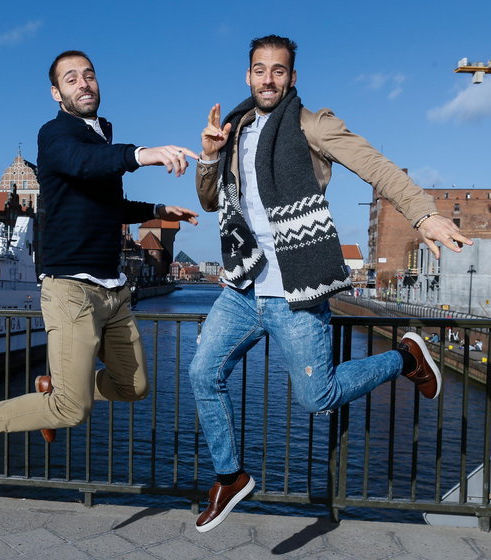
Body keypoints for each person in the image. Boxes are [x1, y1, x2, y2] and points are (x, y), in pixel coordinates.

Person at [188, 34, 473, 533]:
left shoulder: (312, 124)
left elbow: (375, 165)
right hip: (242, 286)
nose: (269, 79)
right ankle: (230, 476)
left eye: (279, 71)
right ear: (248, 75)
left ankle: (405, 357)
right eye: (260, 69)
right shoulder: (233, 130)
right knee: (200, 374)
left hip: (295, 291)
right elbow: (211, 201)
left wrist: (423, 214)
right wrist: (210, 156)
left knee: (316, 398)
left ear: (292, 78)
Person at [0, 50, 200, 486]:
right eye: (71, 78)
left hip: (113, 290)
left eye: (89, 75)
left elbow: (106, 201)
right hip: (71, 288)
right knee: (72, 410)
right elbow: (82, 163)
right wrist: (143, 154)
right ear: (57, 93)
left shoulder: (101, 136)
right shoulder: (56, 135)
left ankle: (56, 387)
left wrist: (156, 208)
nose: (84, 83)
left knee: (134, 387)